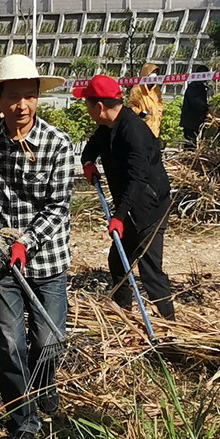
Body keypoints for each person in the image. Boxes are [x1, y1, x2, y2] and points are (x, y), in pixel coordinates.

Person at [0, 53, 79, 439]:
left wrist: (25, 242)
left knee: (49, 340)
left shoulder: (58, 144)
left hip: (46, 259)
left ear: (38, 98)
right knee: (8, 342)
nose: (21, 106)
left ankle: (45, 386)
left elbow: (58, 208)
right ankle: (23, 419)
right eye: (13, 97)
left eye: (29, 97)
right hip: (0, 260)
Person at [77, 73, 176, 321]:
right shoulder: (107, 126)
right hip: (131, 206)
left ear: (99, 106)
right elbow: (92, 147)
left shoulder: (133, 131)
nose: (86, 109)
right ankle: (124, 314)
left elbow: (138, 180)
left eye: (87, 104)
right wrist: (88, 162)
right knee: (119, 260)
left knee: (150, 268)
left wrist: (119, 216)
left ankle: (169, 323)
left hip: (151, 207)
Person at [126, 63, 165, 139]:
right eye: (152, 73)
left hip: (155, 125)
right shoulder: (137, 89)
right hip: (142, 125)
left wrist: (159, 111)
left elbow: (160, 102)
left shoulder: (156, 89)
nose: (154, 75)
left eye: (156, 73)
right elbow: (131, 105)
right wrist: (140, 113)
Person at [180, 65, 211, 150]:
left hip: (198, 121)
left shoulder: (202, 88)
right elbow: (196, 102)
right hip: (191, 122)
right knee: (191, 144)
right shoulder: (193, 88)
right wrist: (207, 107)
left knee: (198, 143)